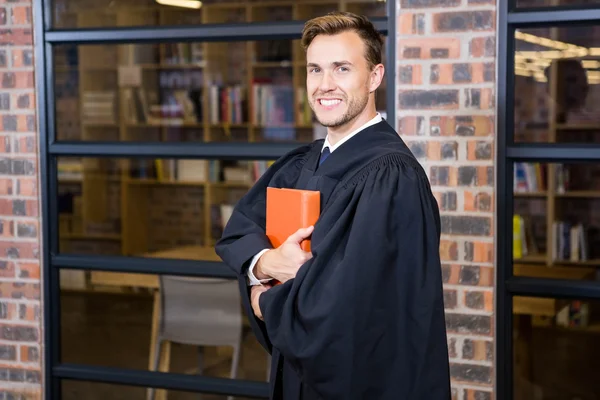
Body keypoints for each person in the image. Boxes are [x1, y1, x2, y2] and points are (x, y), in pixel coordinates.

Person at [215, 11, 451, 400]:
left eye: (342, 68)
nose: (325, 85)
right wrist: (265, 264)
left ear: (375, 77)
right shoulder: (302, 163)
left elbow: (344, 307)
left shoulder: (391, 178)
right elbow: (240, 229)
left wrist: (264, 301)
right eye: (315, 70)